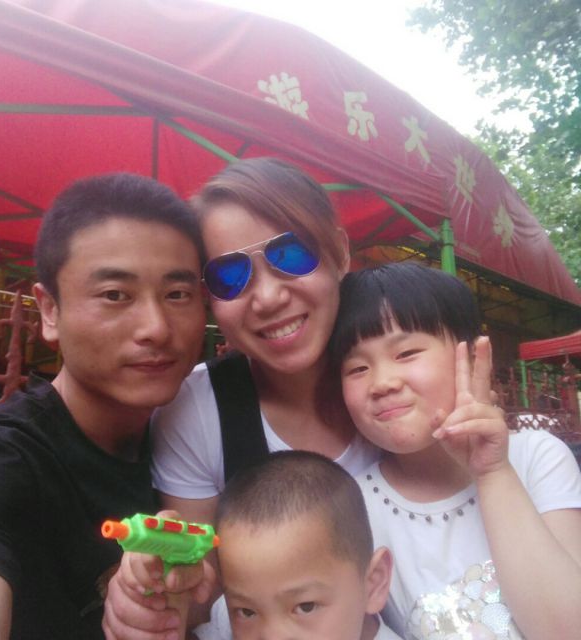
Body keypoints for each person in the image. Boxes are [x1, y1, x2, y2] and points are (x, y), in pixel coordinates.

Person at [103, 157, 380, 638]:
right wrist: (158, 594)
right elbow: (201, 591)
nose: (268, 297)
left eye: (291, 254)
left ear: (339, 251)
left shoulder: (407, 382)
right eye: (229, 276)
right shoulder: (198, 408)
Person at [0, 173, 211, 639]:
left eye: (177, 294)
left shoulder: (196, 434)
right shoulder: (2, 461)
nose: (156, 327)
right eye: (115, 295)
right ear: (49, 310)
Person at [329, 262, 581, 639]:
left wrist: (492, 472)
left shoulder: (536, 458)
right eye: (357, 368)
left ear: (474, 357)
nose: (382, 383)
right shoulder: (354, 509)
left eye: (406, 353)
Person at [198, 449, 401, 640]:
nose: (273, 636)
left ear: (373, 584)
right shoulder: (228, 615)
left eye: (306, 607)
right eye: (247, 612)